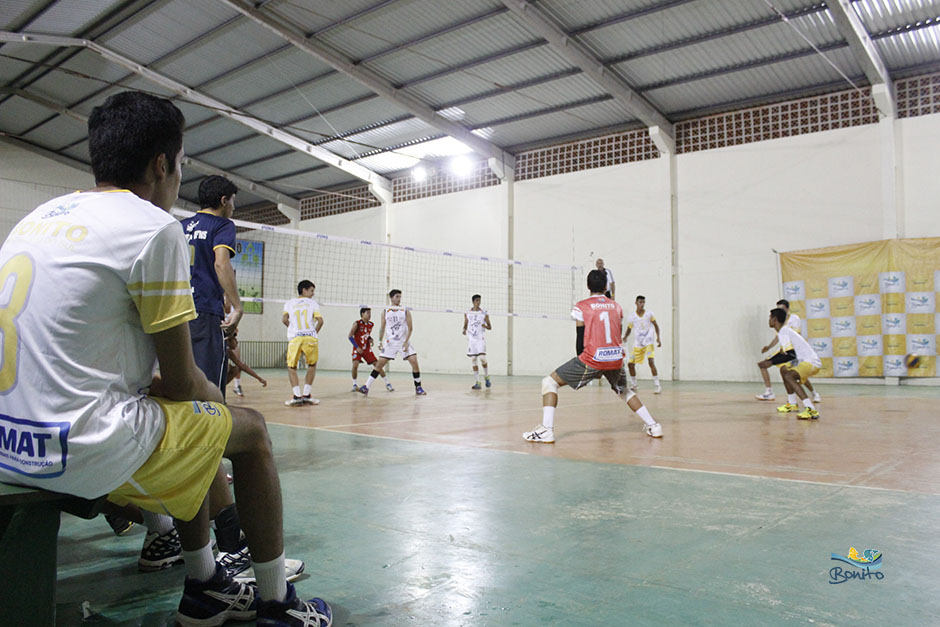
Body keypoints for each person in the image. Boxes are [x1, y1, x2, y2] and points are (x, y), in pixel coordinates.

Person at [0, 91, 330, 625]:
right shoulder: (152, 227)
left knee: (186, 425)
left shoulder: (39, 217)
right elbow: (181, 384)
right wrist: (204, 394)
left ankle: (206, 585)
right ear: (161, 164)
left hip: (9, 440)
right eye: (179, 166)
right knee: (247, 430)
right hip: (74, 449)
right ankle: (275, 602)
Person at [522, 270, 663, 443]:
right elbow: (616, 332)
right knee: (623, 390)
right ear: (605, 286)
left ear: (588, 286)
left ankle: (546, 430)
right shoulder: (616, 306)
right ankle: (654, 425)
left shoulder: (582, 306)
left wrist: (584, 363)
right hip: (616, 358)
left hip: (592, 358)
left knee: (549, 382)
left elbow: (580, 337)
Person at [179, 175, 242, 398]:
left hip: (175, 311)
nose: (234, 207)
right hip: (204, 311)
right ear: (224, 200)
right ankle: (210, 431)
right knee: (209, 386)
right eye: (233, 201)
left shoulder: (180, 226)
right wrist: (237, 306)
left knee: (180, 382)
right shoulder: (223, 225)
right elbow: (220, 262)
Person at [358, 289, 426, 396]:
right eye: (397, 297)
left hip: (403, 341)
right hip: (390, 343)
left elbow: (410, 328)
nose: (399, 299)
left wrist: (406, 342)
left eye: (400, 297)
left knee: (414, 361)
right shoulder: (385, 311)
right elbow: (382, 327)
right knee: (379, 365)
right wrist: (380, 341)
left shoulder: (405, 310)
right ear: (392, 298)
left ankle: (418, 387)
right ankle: (366, 387)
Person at [756, 299, 822, 404]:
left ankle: (810, 406)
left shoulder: (790, 324)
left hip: (807, 359)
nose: (768, 319)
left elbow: (791, 354)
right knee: (784, 370)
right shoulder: (783, 331)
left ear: (775, 319)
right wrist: (769, 348)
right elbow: (782, 341)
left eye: (770, 317)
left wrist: (772, 362)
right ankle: (791, 403)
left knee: (790, 376)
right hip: (797, 355)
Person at [283, 280, 323, 407]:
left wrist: (293, 329)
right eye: (311, 291)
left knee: (291, 367)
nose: (313, 294)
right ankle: (306, 395)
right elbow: (320, 321)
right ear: (304, 290)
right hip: (310, 337)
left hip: (295, 338)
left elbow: (284, 319)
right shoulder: (313, 303)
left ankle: (297, 396)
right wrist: (314, 333)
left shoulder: (289, 303)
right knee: (312, 365)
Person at [623, 295, 662, 394]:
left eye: (643, 302)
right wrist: (625, 336)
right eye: (640, 302)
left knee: (651, 362)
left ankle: (657, 385)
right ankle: (634, 385)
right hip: (638, 343)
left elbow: (656, 326)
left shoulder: (649, 314)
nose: (642, 304)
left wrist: (658, 338)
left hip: (648, 341)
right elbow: (629, 329)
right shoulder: (632, 317)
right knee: (631, 364)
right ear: (636, 303)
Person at [349, 307, 392, 392]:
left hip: (366, 349)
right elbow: (350, 336)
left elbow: (365, 334)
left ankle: (388, 383)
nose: (369, 315)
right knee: (355, 365)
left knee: (377, 365)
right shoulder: (357, 323)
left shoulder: (371, 324)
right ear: (362, 314)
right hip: (357, 348)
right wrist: (357, 347)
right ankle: (354, 384)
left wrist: (370, 338)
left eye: (370, 313)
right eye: (367, 313)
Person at [463, 294, 492, 389]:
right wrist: (464, 329)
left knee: (482, 358)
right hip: (472, 339)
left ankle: (487, 376)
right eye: (476, 301)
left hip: (480, 338)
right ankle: (477, 382)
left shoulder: (483, 313)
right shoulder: (467, 313)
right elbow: (466, 323)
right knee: (473, 359)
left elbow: (490, 327)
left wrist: (485, 326)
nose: (478, 302)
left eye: (479, 300)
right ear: (473, 301)